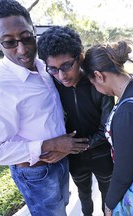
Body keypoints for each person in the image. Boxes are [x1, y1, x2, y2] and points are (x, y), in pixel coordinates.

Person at [0, 1, 88, 215]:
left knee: (62, 207)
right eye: (9, 42)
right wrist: (51, 144)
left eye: (27, 37)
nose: (22, 49)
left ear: (33, 30)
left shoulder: (44, 67)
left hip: (61, 160)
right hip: (36, 173)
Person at [81, 40, 133, 216]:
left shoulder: (128, 113)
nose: (96, 89)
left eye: (93, 84)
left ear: (99, 76)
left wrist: (109, 204)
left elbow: (123, 172)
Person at [37, 26, 114, 216]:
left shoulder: (99, 82)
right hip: (73, 157)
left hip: (101, 154)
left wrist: (77, 145)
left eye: (66, 66)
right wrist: (67, 147)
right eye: (53, 69)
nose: (61, 76)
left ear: (79, 57)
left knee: (108, 198)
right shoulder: (51, 84)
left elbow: (107, 128)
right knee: (84, 195)